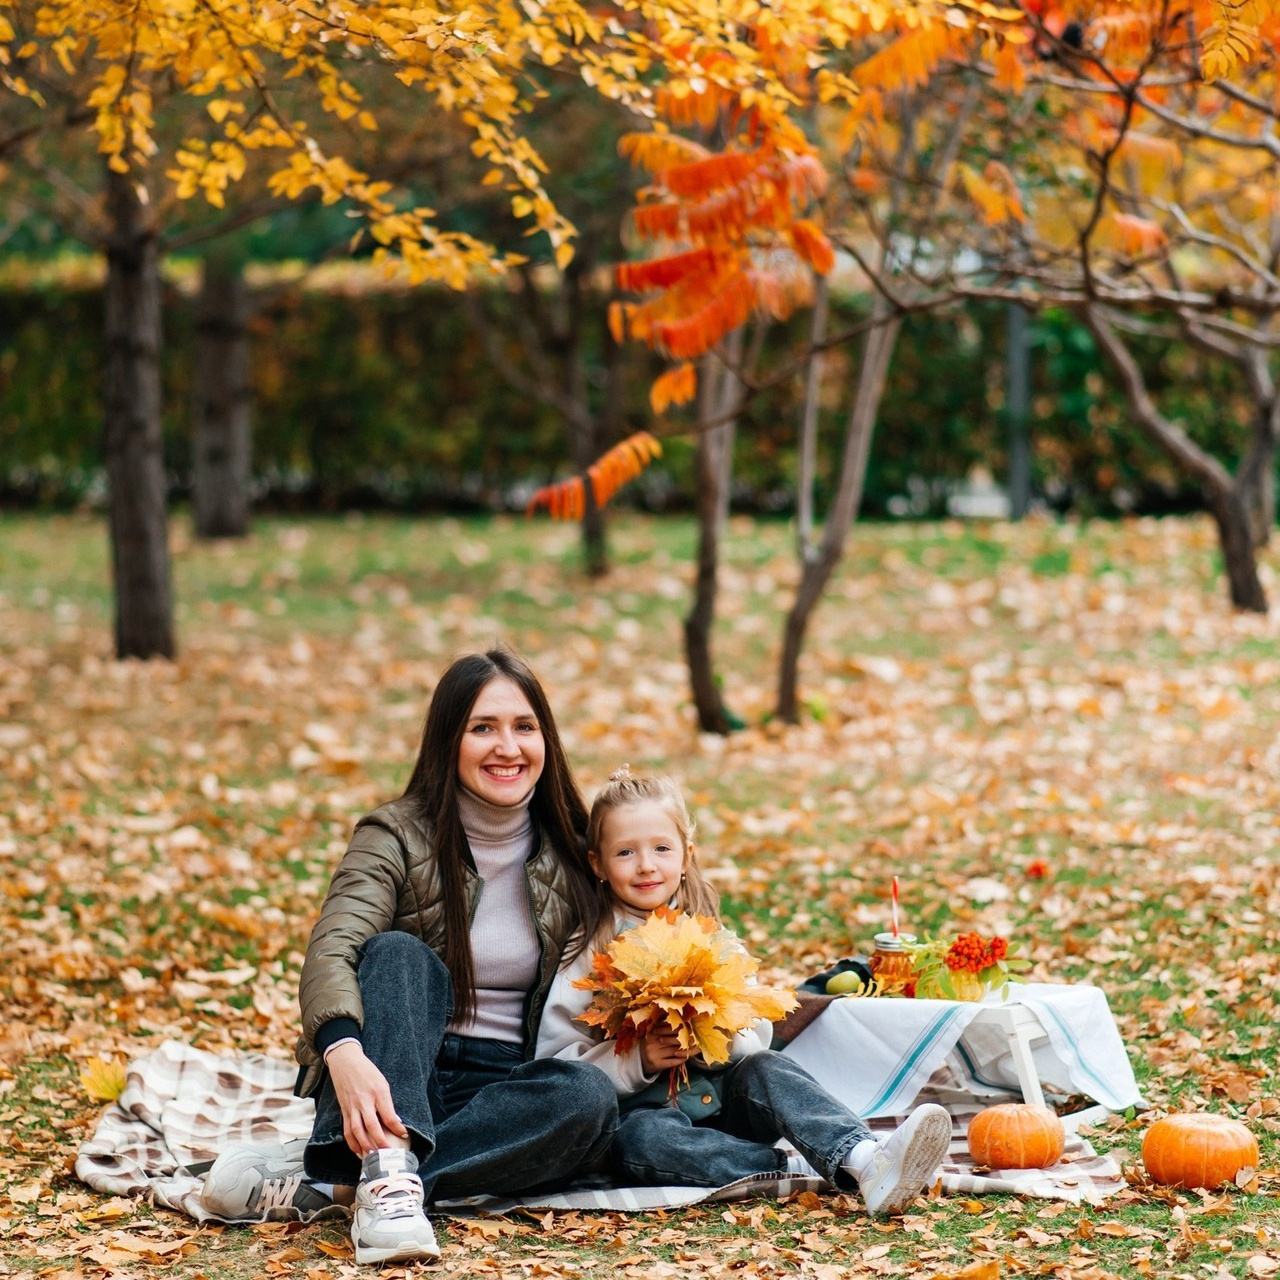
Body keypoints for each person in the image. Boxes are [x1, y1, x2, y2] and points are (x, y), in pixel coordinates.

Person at [202, 649, 619, 1264]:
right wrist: (341, 1052)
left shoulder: (577, 847)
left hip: (504, 1087)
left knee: (589, 1097)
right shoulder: (395, 834)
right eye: (483, 728)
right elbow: (333, 949)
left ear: (547, 741)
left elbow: (658, 912)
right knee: (399, 953)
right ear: (448, 740)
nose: (508, 747)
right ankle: (386, 1172)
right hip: (397, 1066)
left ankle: (347, 1179)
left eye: (524, 727)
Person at [535, 770, 953, 1215]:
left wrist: (718, 1038)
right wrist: (637, 1060)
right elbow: (556, 1063)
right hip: (649, 1120)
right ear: (598, 864)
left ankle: (864, 1157)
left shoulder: (711, 939)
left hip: (726, 1104)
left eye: (661, 848)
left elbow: (757, 1031)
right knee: (643, 1141)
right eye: (625, 852)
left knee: (768, 1068)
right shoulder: (589, 953)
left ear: (685, 855)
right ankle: (790, 1170)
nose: (646, 865)